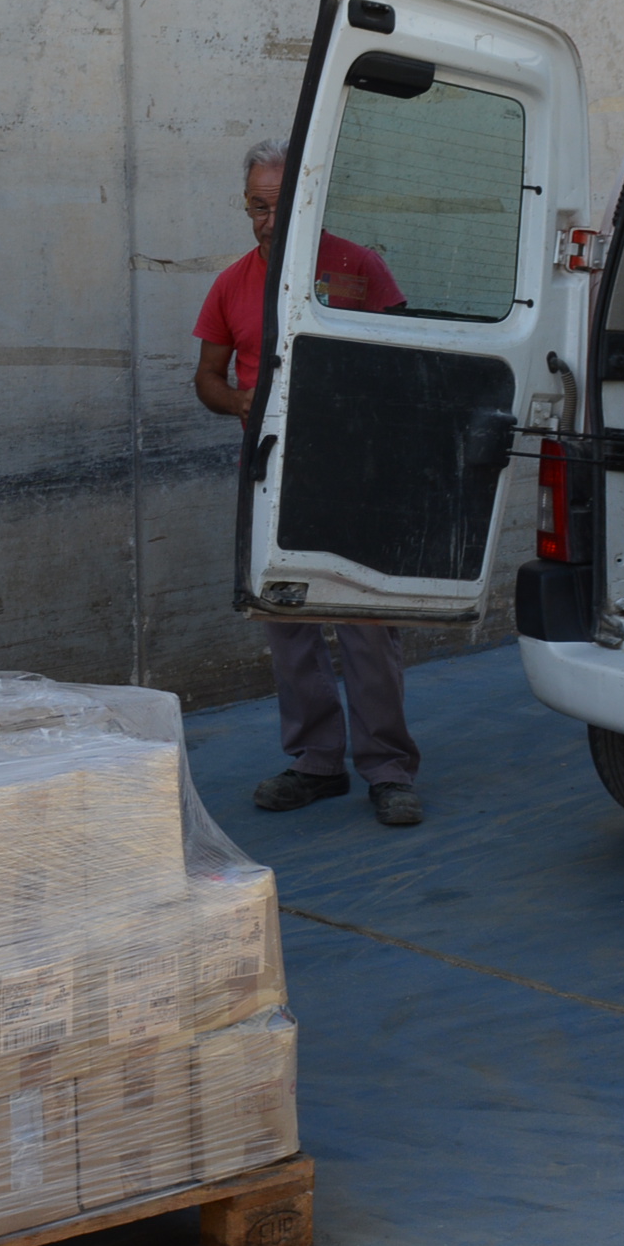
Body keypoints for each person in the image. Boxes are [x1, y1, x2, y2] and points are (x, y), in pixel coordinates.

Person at [193, 138, 423, 828]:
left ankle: (386, 768)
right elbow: (207, 376)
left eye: (281, 205)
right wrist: (240, 402)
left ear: (311, 198)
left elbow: (402, 365)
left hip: (350, 472)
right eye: (256, 207)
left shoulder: (359, 266)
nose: (268, 220)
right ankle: (316, 764)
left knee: (365, 624)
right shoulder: (232, 283)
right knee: (287, 623)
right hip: (270, 473)